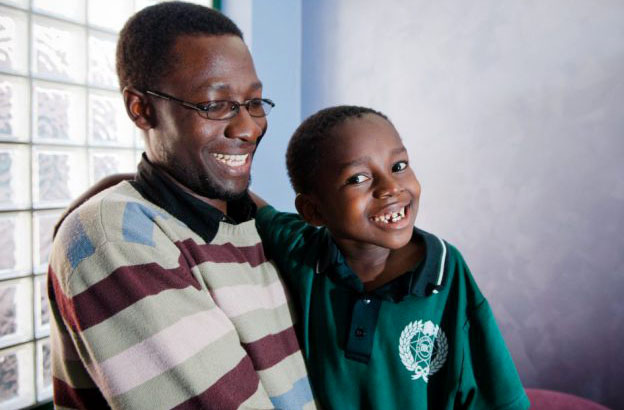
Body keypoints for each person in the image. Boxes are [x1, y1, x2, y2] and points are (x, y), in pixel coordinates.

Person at [47, 3, 315, 409]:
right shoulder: (119, 238)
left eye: (255, 102)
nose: (248, 128)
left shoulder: (243, 221)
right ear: (141, 109)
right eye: (215, 105)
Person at [253, 105, 530, 410]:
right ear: (314, 211)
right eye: (358, 178)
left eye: (398, 166)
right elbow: (248, 203)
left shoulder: (445, 274)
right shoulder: (304, 252)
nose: (391, 187)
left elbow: (500, 398)